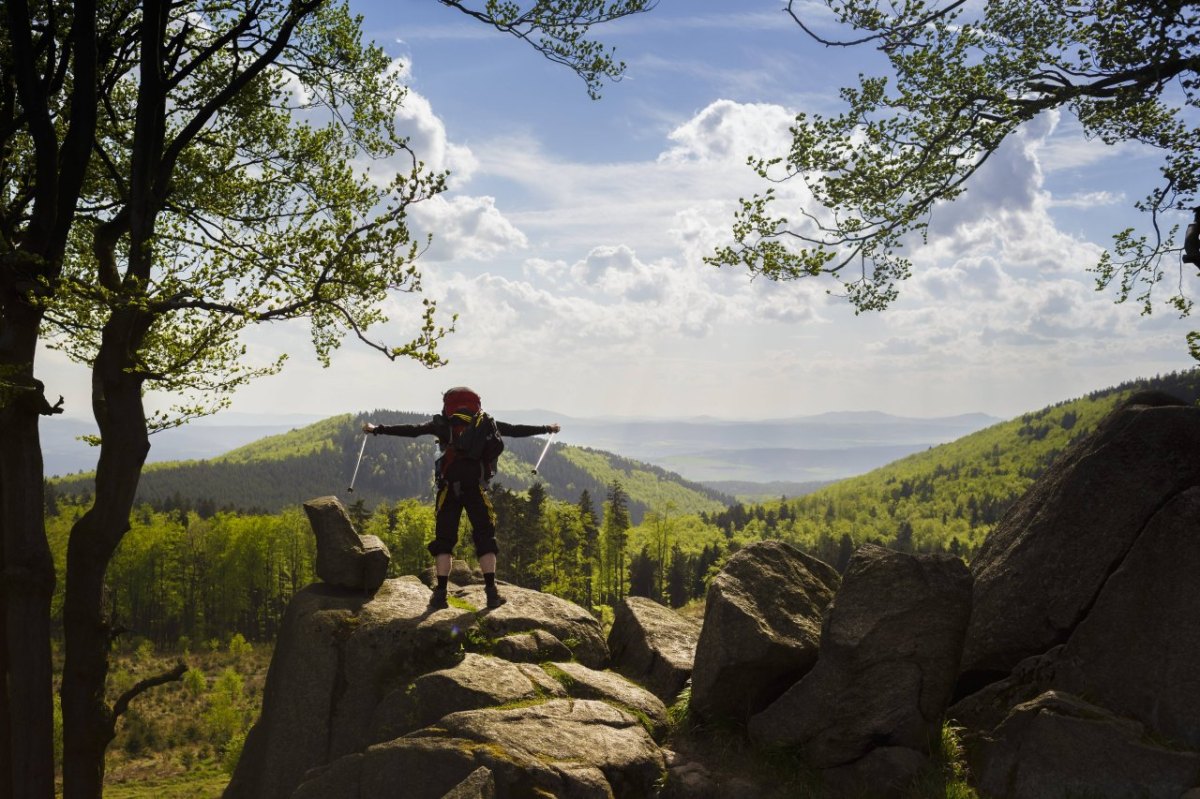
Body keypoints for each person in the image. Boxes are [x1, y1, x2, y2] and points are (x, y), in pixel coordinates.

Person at [362, 387, 560, 610]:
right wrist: (547, 428)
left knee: (444, 541)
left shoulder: (443, 424)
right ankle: (491, 594)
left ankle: (440, 595)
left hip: (449, 488)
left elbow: (412, 430)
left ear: (448, 404)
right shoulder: (484, 422)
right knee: (485, 538)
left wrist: (376, 429)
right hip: (475, 487)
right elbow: (514, 430)